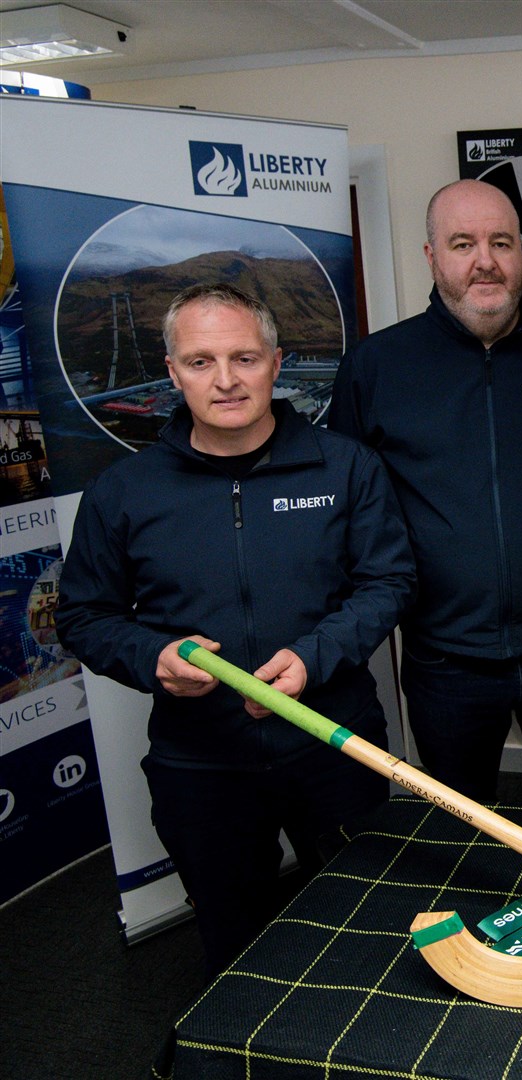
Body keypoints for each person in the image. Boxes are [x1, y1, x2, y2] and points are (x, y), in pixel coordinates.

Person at [57, 284, 414, 977]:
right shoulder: (125, 491)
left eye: (244, 357)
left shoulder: (345, 466)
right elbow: (84, 616)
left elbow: (388, 582)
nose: (225, 380)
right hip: (202, 767)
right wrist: (151, 655)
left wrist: (313, 658)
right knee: (235, 949)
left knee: (367, 932)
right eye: (200, 361)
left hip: (334, 748)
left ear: (276, 363)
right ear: (171, 371)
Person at [330, 179, 522, 804]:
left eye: (501, 242)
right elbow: (344, 514)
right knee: (455, 830)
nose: (485, 261)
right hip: (445, 662)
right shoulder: (376, 367)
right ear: (432, 256)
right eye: (463, 243)